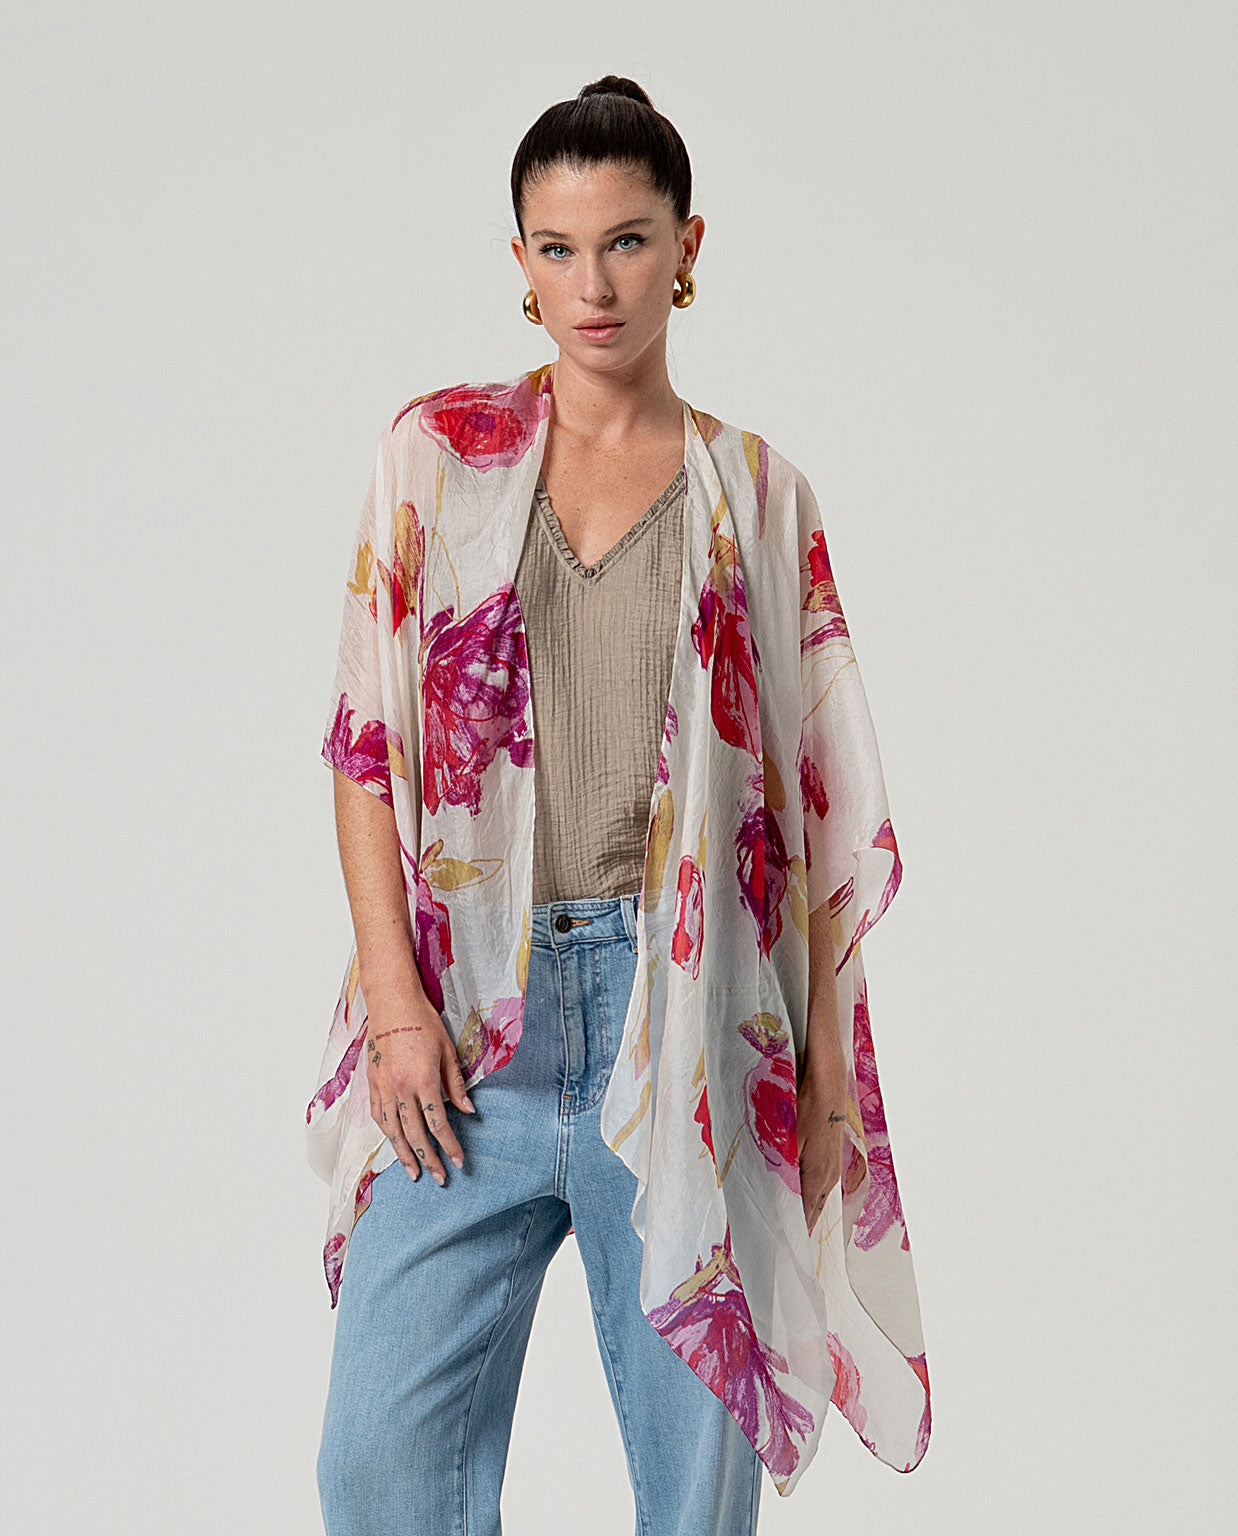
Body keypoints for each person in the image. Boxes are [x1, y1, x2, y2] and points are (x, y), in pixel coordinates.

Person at [311, 74, 930, 1536]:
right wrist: (394, 1005)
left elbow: (815, 824)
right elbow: (364, 745)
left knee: (693, 1500)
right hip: (469, 1033)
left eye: (627, 242)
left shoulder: (757, 496)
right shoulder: (436, 457)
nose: (593, 285)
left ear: (687, 248)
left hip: (694, 1023)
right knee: (377, 1466)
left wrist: (823, 1081)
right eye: (558, 248)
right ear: (520, 263)